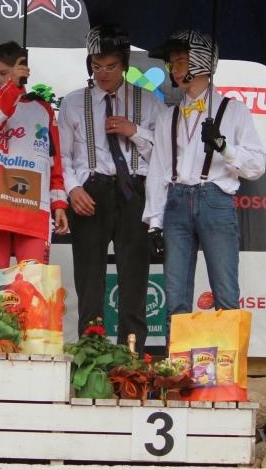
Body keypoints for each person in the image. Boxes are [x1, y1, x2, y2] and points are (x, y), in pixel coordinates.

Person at [143, 30, 265, 320]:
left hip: (215, 200)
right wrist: (154, 223)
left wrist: (224, 146)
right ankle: (178, 351)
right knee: (176, 298)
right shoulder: (168, 116)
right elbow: (159, 170)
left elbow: (257, 166)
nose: (173, 69)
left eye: (180, 61)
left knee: (225, 293)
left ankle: (227, 351)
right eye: (172, 62)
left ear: (202, 63)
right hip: (176, 202)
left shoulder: (234, 110)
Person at [58, 26, 164, 352]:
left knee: (134, 277)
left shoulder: (150, 102)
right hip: (91, 191)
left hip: (135, 191)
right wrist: (73, 189)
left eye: (111, 66)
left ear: (125, 64)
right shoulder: (73, 102)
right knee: (89, 279)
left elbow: (165, 158)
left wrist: (135, 132)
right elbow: (61, 155)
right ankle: (91, 352)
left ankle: (131, 356)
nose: (102, 73)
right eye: (96, 65)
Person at [0, 41, 69, 273]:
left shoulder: (43, 108)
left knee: (33, 287)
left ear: (22, 69)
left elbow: (54, 162)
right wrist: (11, 87)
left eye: (3, 73)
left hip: (34, 211)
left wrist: (59, 204)